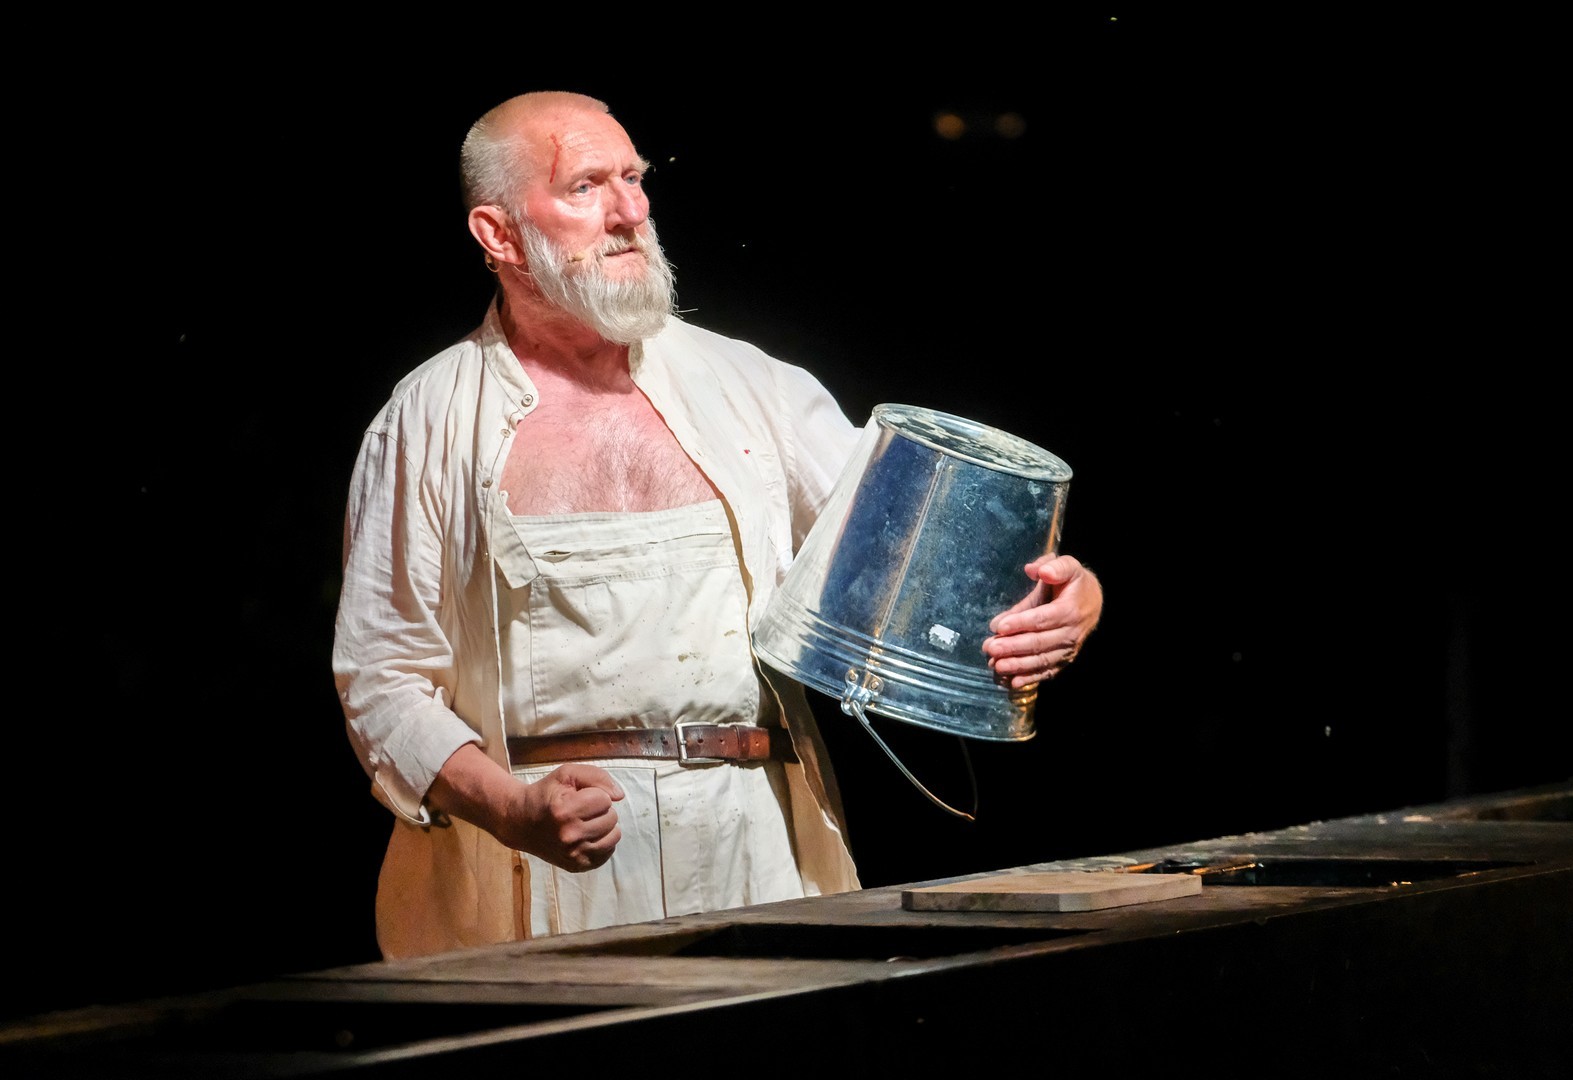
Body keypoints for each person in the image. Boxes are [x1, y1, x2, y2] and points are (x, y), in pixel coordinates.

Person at [333, 90, 1103, 961]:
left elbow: (920, 563)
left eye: (633, 179)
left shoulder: (753, 387)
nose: (630, 212)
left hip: (757, 848)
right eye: (586, 186)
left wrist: (1069, 599)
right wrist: (510, 808)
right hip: (550, 872)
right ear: (498, 235)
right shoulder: (431, 420)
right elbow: (384, 681)